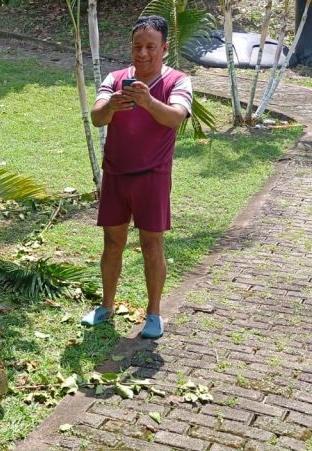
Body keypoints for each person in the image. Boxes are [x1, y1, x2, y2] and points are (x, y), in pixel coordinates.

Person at [81, 15, 192, 340]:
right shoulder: (115, 78)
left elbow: (175, 118)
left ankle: (154, 313)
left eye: (150, 47)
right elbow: (97, 117)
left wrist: (147, 100)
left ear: (164, 48)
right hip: (116, 173)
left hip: (153, 176)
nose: (143, 53)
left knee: (151, 244)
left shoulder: (178, 81)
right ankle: (106, 306)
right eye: (137, 46)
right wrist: (112, 106)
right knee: (112, 241)